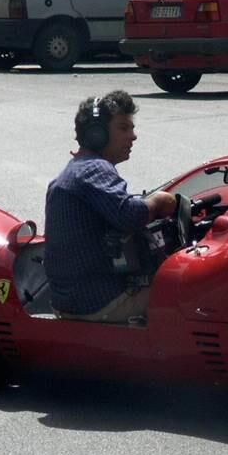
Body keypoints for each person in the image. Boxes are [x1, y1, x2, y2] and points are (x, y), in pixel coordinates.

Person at [44, 90, 177, 323]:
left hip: (73, 300)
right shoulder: (94, 168)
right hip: (99, 302)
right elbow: (129, 215)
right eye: (124, 128)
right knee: (192, 294)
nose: (133, 136)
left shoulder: (76, 169)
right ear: (97, 135)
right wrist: (158, 202)